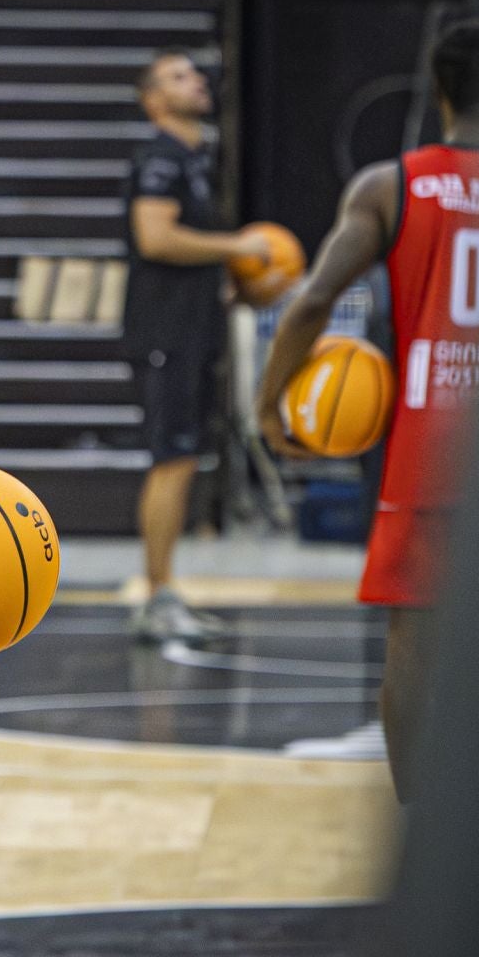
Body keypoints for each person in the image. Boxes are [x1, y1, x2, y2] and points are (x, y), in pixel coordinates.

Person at [256, 20, 479, 802]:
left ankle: (418, 828)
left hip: (428, 442)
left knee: (410, 655)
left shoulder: (390, 186)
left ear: (437, 91)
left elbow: (312, 304)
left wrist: (271, 403)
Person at [122, 50, 271, 643]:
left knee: (182, 460)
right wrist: (234, 249)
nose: (198, 82)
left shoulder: (193, 159)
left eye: (196, 73)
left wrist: (230, 276)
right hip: (163, 332)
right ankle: (157, 595)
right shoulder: (160, 157)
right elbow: (154, 237)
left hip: (190, 328)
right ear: (154, 101)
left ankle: (165, 591)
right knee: (171, 459)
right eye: (178, 77)